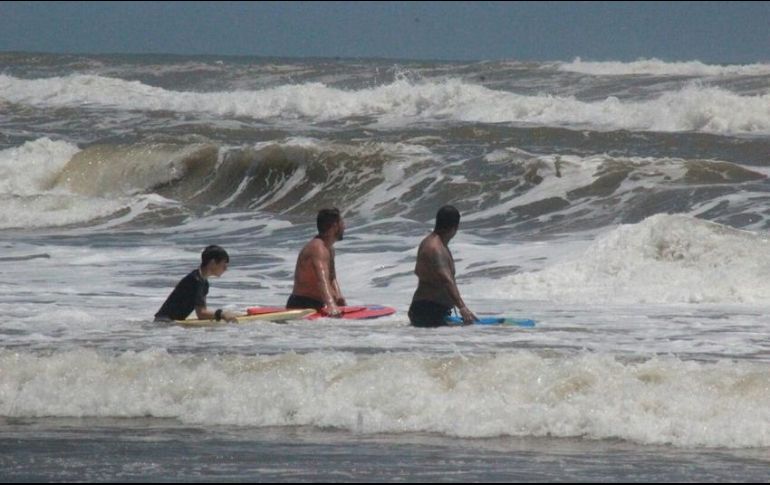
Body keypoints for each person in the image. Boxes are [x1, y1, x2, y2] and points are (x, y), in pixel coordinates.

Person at [409, 205, 478, 327]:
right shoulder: (436, 248)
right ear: (455, 227)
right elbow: (446, 280)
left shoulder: (431, 243)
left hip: (428, 310)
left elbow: (418, 271)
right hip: (428, 312)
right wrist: (462, 308)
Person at [286, 208, 347, 317]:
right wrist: (331, 304)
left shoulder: (329, 249)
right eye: (342, 222)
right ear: (335, 226)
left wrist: (338, 297)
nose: (344, 226)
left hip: (317, 304)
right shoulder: (317, 248)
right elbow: (321, 279)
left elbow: (331, 277)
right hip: (301, 305)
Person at [154, 245, 238, 322]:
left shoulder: (203, 281)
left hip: (168, 322)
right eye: (224, 265)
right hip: (164, 323)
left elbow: (202, 312)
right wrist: (222, 314)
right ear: (212, 263)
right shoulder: (195, 280)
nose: (226, 269)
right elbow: (201, 314)